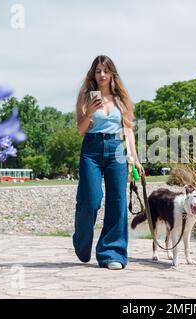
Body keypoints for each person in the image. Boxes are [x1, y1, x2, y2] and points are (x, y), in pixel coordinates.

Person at [73, 55, 144, 270]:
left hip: (117, 150)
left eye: (105, 70)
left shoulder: (121, 99)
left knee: (117, 202)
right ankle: (82, 242)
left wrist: (135, 159)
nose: (101, 75)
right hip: (91, 150)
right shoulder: (86, 97)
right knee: (91, 200)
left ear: (112, 73)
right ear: (93, 74)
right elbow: (80, 130)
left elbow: (128, 130)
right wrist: (90, 112)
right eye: (97, 71)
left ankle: (112, 253)